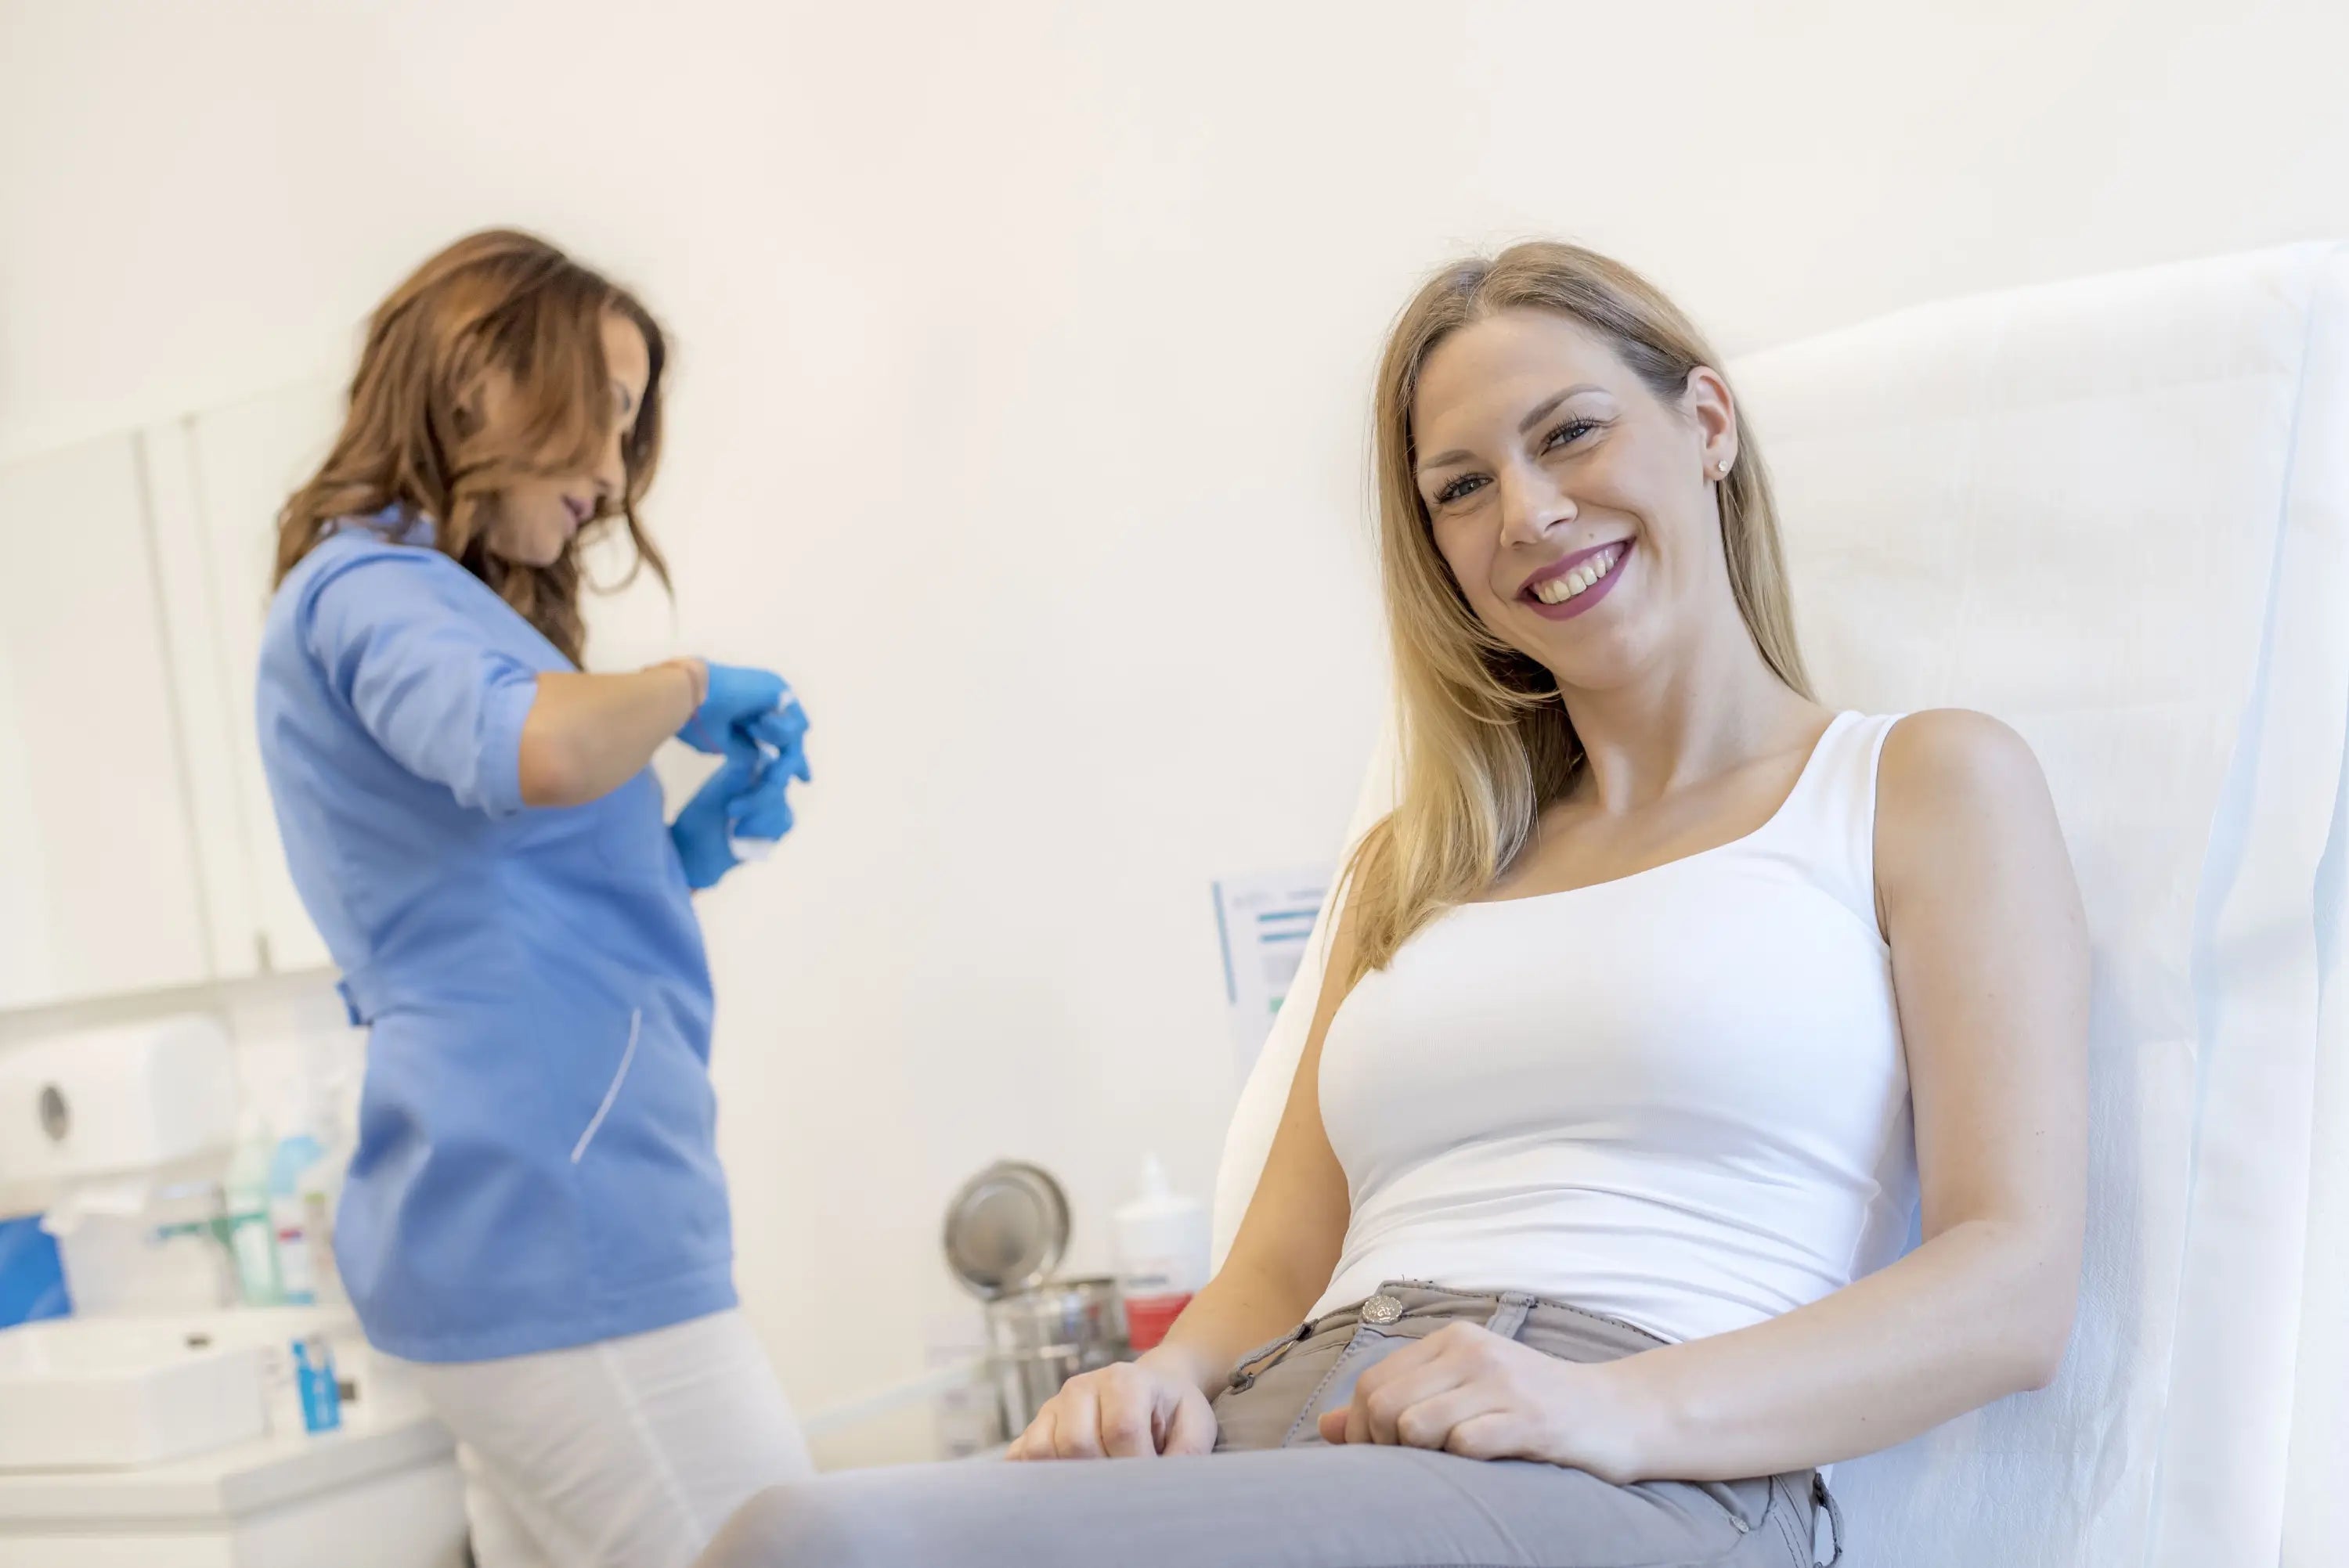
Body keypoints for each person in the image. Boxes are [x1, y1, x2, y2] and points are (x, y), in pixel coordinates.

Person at [699, 241, 2088, 1568]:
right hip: (1304, 1430)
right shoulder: (1416, 864)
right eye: (1461, 487)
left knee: (810, 1547)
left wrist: (1614, 1408)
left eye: (1571, 433)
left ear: (1707, 422)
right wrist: (1165, 1376)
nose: (1530, 515)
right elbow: (1283, 1261)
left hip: (1642, 1473)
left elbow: (2012, 1284)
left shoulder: (1916, 785)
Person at [257, 229, 815, 1568]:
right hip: (559, 1234)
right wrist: (682, 687)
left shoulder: (425, 601)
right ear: (480, 380)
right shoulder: (372, 586)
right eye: (604, 418)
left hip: (541, 1220)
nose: (616, 480)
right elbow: (544, 748)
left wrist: (674, 856)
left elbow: (490, 887)